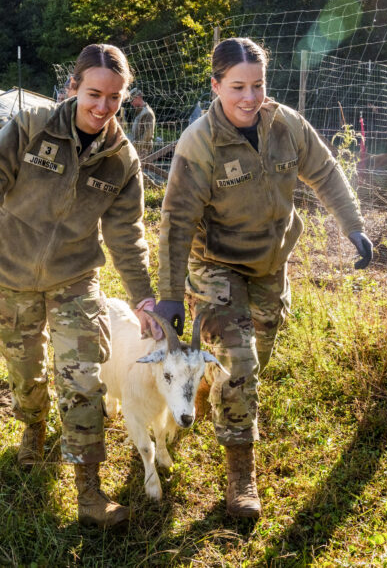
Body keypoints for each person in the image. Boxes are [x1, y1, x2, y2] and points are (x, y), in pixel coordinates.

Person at [154, 38, 373, 519]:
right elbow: (175, 225)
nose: (249, 97)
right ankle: (241, 479)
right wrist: (170, 295)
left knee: (258, 355)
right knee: (242, 361)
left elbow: (327, 172)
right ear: (215, 86)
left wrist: (353, 224)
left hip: (271, 262)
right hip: (215, 264)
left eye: (258, 85)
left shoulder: (286, 125)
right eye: (237, 87)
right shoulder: (200, 142)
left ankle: (206, 384)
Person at [0, 44, 158, 529]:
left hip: (74, 279)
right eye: (93, 93)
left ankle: (89, 491)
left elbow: (127, 235)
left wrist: (142, 296)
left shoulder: (121, 160)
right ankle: (34, 428)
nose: (102, 107)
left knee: (83, 378)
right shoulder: (32, 126)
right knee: (27, 373)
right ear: (73, 88)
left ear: (124, 97)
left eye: (114, 97)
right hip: (9, 272)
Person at [129, 88, 156, 158]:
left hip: (142, 151)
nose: (131, 103)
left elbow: (148, 135)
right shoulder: (140, 112)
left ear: (138, 98)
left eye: (132, 100)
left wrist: (139, 150)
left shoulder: (147, 113)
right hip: (137, 149)